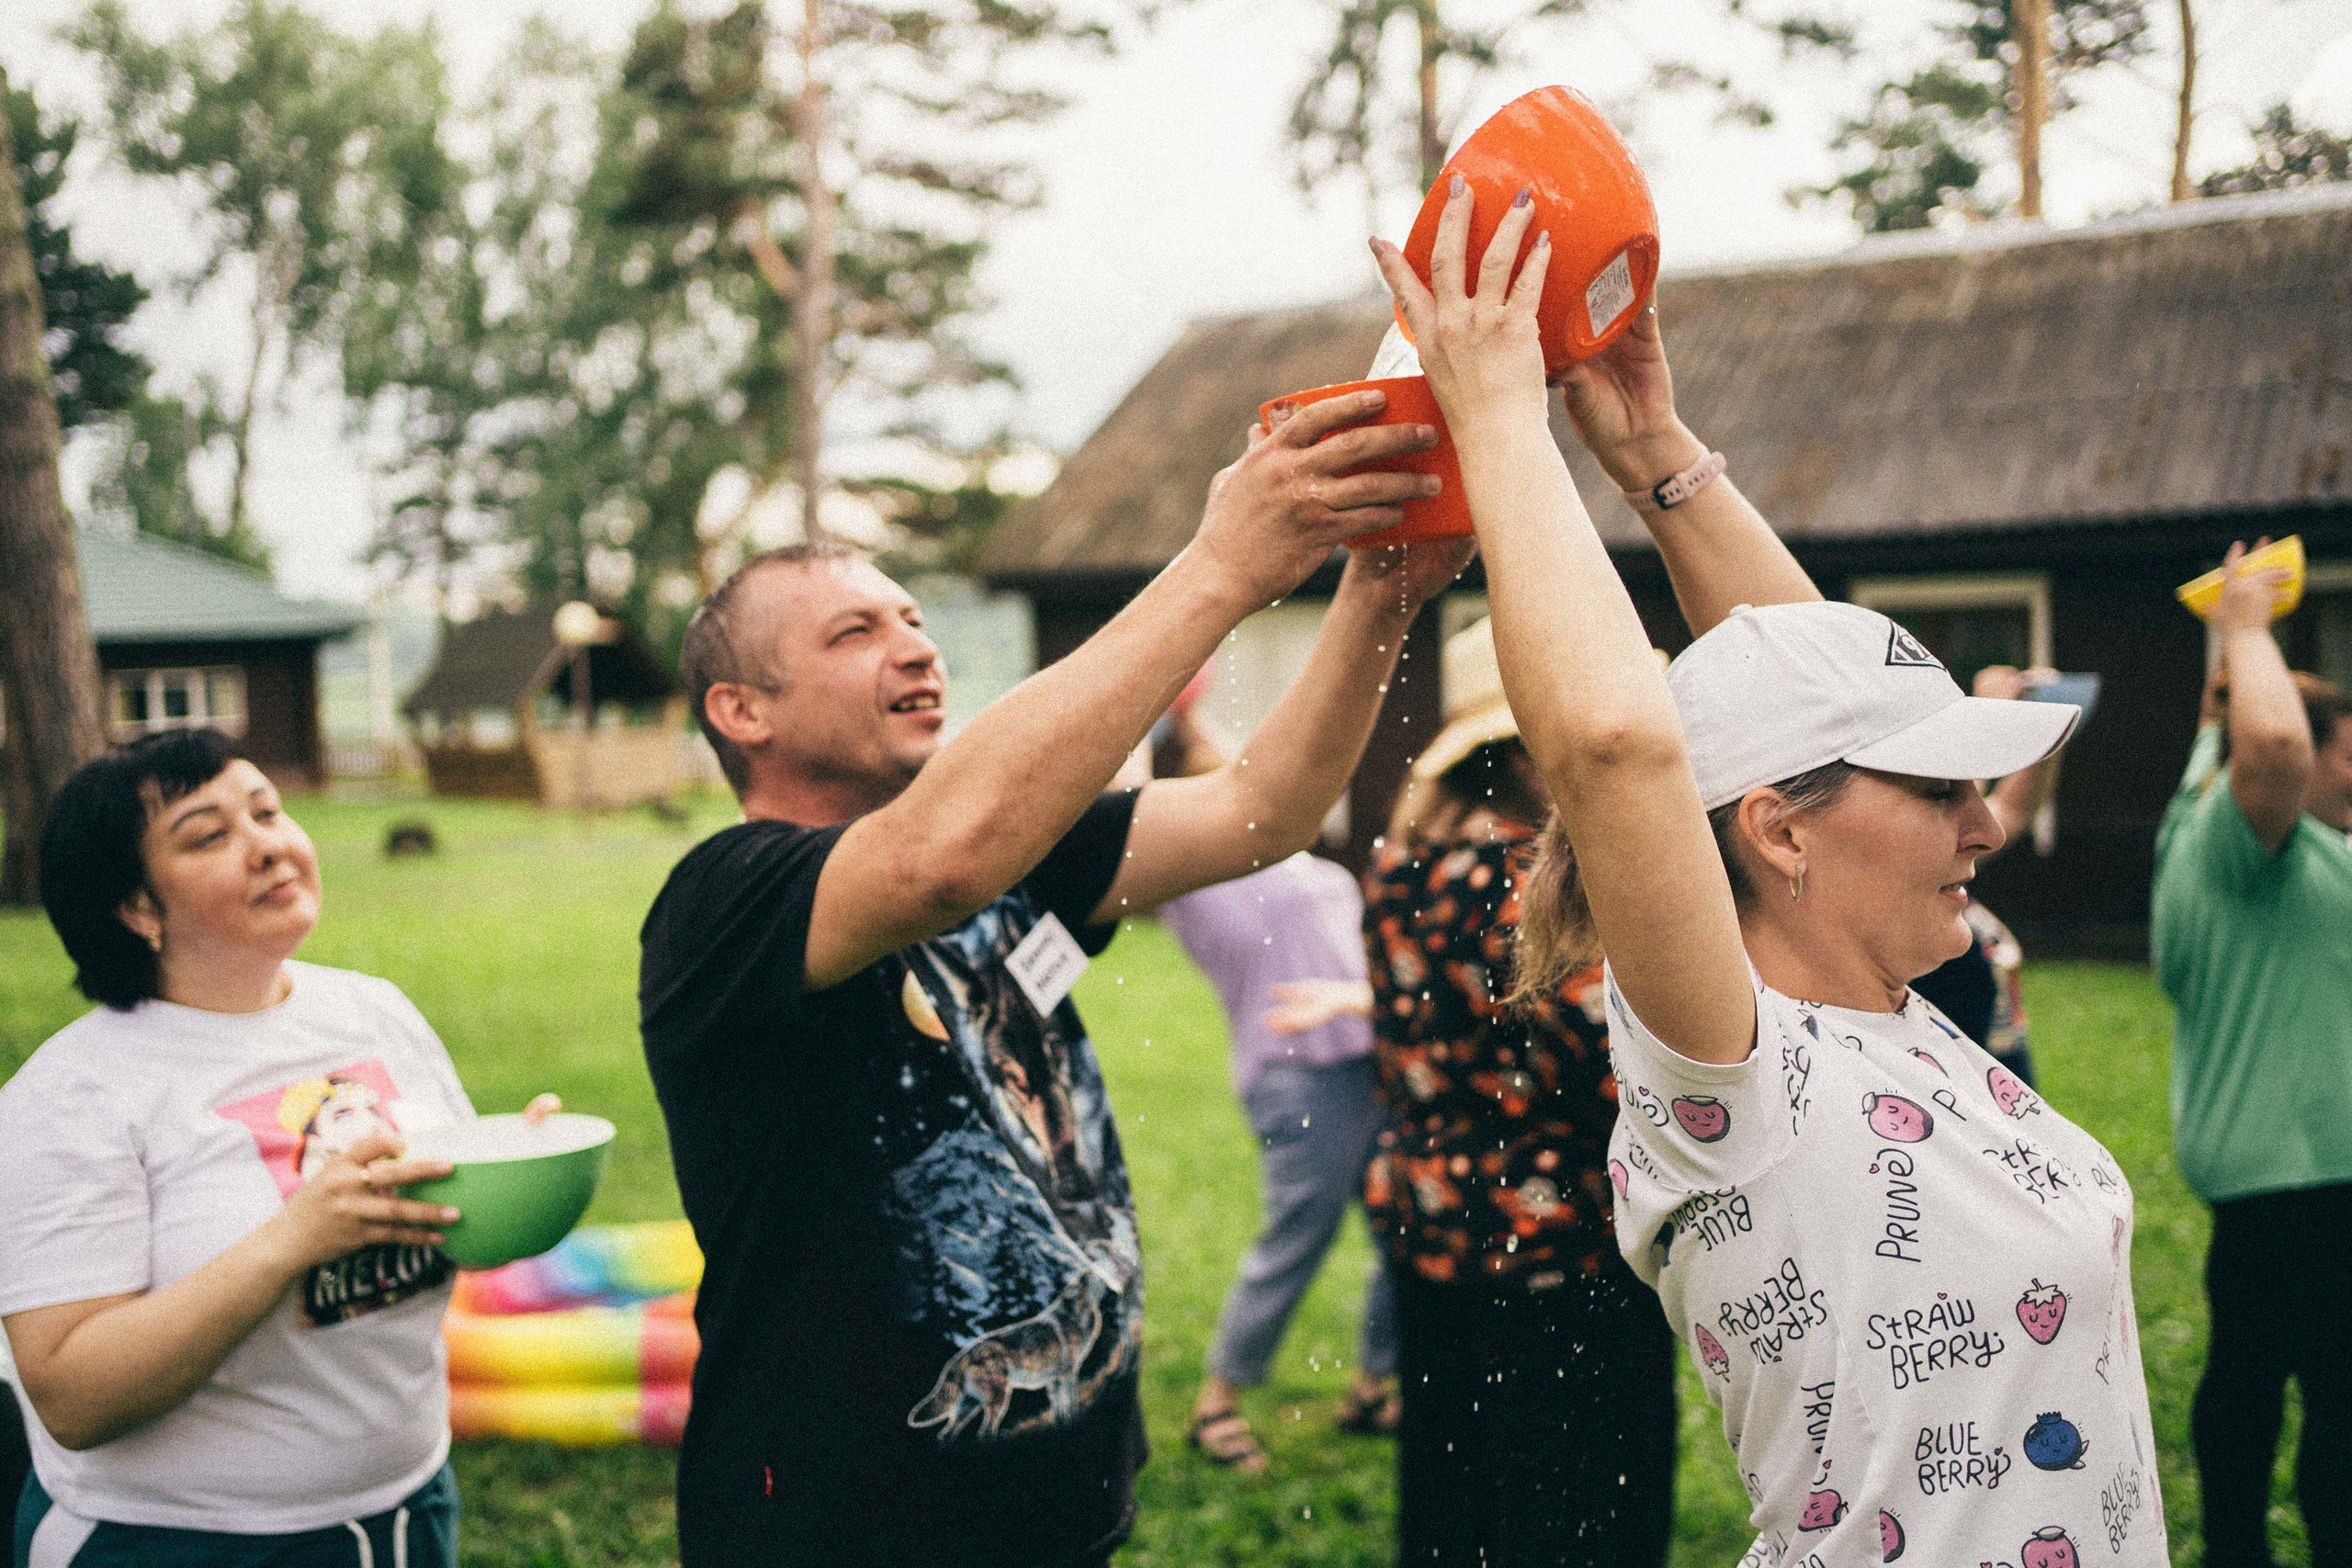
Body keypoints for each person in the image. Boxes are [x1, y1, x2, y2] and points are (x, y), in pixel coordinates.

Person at [1371, 180, 2167, 1566]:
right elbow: (1622, 745)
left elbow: (1821, 700)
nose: (1985, 825)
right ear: (1779, 835)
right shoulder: (1731, 1075)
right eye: (1945, 793)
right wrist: (1501, 419)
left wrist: (1655, 454)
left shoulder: (1917, 1002)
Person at [637, 392, 1472, 1568]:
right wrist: (1223, 562)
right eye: (853, 634)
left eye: (914, 617)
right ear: (742, 711)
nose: (916, 646)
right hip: (846, 1528)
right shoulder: (725, 899)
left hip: (1060, 1507)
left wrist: (1381, 595)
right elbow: (934, 863)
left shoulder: (1023, 858)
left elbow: (1263, 808)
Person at [1, 729, 554, 1568]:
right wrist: (295, 1237)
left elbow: (436, 1226)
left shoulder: (373, 1012)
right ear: (136, 907)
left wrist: (514, 1168)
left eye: (267, 810)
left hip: (406, 1512)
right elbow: (74, 1393)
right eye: (210, 834)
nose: (268, 845)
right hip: (174, 1544)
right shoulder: (74, 1094)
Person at [1357, 614, 1675, 1568]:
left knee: (1454, 1495)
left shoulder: (1405, 867)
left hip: (1432, 1220)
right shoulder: (1540, 885)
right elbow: (1615, 1072)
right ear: (1533, 751)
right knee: (1580, 1508)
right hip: (1560, 1245)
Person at [2151, 542, 2352, 1568]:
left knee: (2282, 1392)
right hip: (2297, 1188)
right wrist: (2241, 625)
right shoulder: (2238, 839)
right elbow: (2266, 740)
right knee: (2280, 1404)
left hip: (2308, 1182)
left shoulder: (2295, 842)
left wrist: (2219, 666)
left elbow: (2228, 727)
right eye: (2346, 750)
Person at [1142, 705, 1400, 1472]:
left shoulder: (1301, 857)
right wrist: (1171, 722)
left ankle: (1371, 1386)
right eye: (1218, 744)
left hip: (1373, 1058)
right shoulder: (1191, 873)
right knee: (1296, 1241)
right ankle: (1215, 1404)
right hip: (1298, 1076)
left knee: (1405, 1236)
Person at [1910, 663, 2071, 1089]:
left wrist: (2045, 729)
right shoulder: (1908, 887)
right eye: (1942, 792)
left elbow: (2014, 810)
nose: (1987, 834)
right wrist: (1991, 714)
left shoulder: (1944, 882)